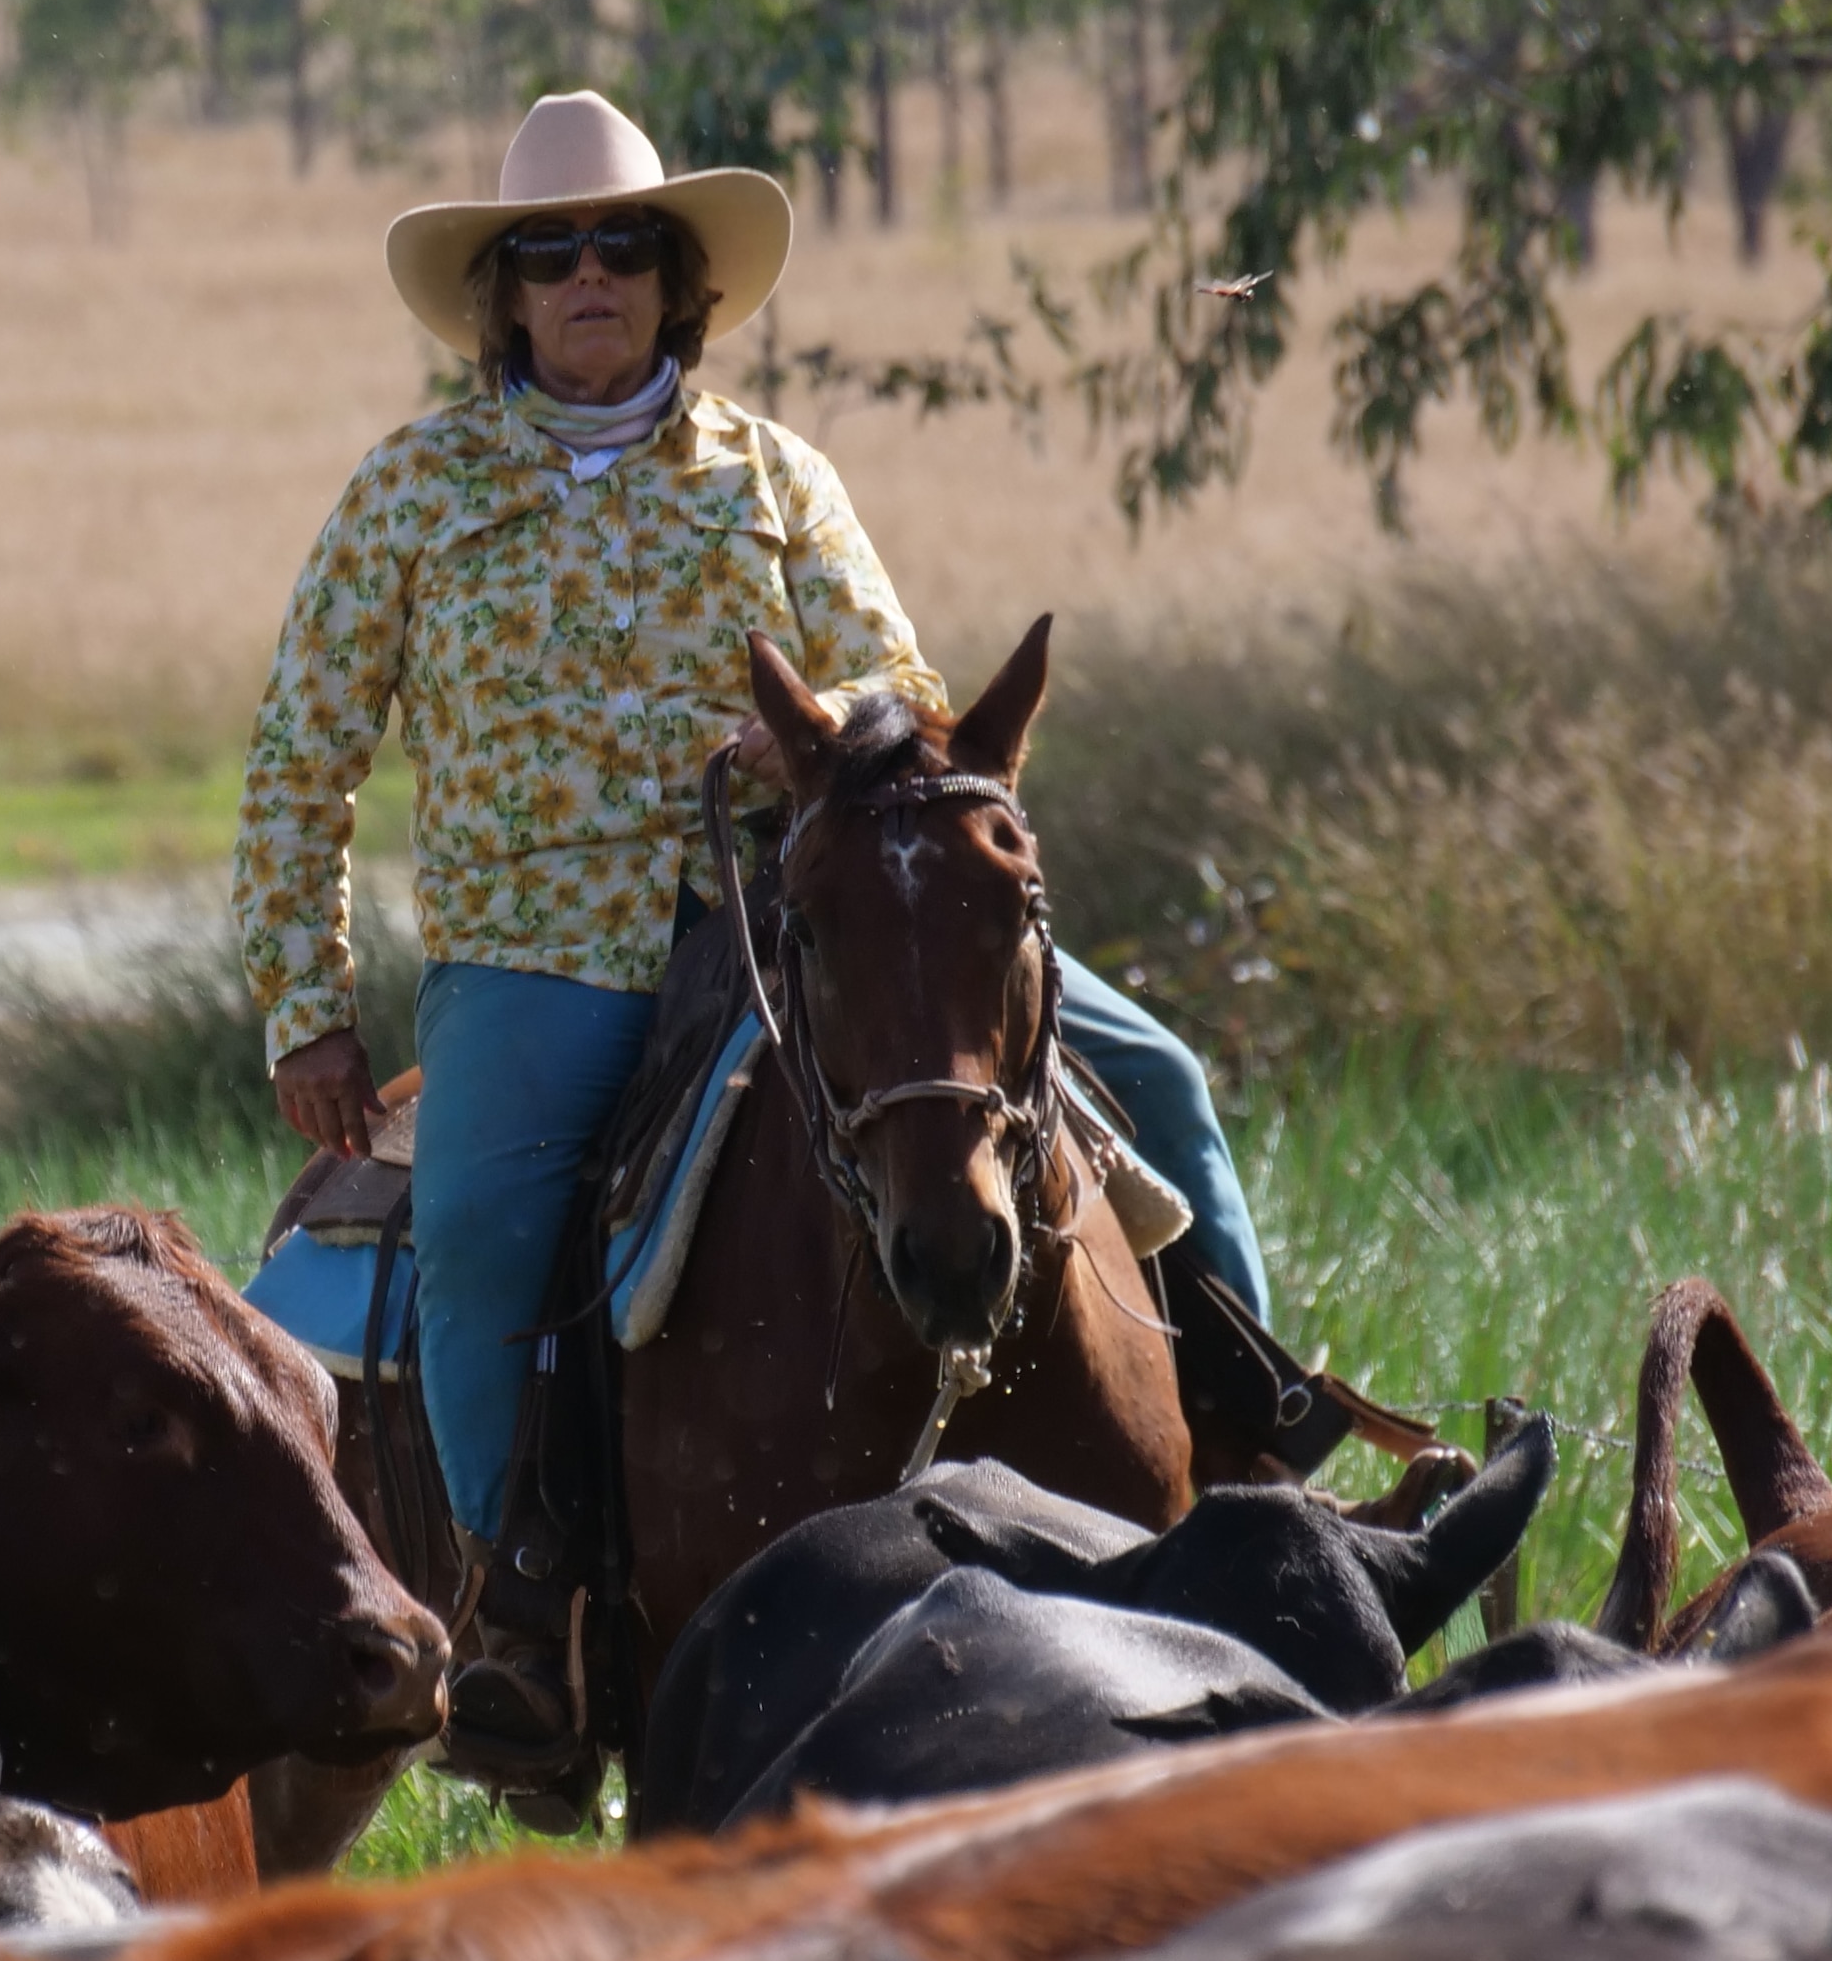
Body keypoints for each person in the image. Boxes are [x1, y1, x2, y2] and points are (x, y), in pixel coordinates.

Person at [233, 90, 1277, 1785]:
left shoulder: (775, 477)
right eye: (552, 252)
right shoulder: (410, 496)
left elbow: (906, 683)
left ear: (670, 281)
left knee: (1159, 1080)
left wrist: (812, 741)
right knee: (486, 1220)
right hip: (537, 949)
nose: (590, 277)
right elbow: (300, 758)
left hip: (797, 914)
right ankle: (528, 1609)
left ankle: (1265, 1472)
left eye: (623, 247)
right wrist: (310, 1004)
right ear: (504, 294)